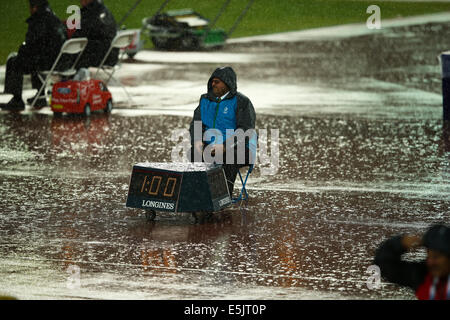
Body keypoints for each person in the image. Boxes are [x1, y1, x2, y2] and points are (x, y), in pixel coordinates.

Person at [189, 66, 256, 197]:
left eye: (217, 81)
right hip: (210, 146)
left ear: (227, 83)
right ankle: (199, 195)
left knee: (227, 157)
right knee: (193, 153)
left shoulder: (242, 102)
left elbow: (245, 130)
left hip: (239, 147)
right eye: (212, 81)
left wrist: (224, 146)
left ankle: (223, 196)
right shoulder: (205, 100)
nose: (213, 84)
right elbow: (196, 124)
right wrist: (197, 141)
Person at [1, 0, 67, 111]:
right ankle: (40, 96)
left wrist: (21, 52)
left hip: (48, 63)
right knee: (34, 58)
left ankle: (16, 100)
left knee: (14, 61)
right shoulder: (53, 18)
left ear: (35, 8)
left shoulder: (38, 21)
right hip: (60, 61)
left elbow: (31, 45)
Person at [374, 223, 450, 300]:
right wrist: (399, 243)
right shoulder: (422, 274)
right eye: (428, 256)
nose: (430, 262)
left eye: (436, 257)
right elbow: (383, 265)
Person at [71, 0, 119, 69]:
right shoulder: (105, 11)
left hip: (97, 59)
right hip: (112, 57)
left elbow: (77, 38)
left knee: (70, 52)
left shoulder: (89, 14)